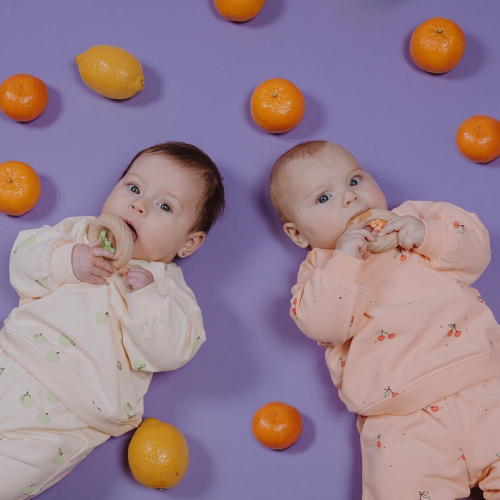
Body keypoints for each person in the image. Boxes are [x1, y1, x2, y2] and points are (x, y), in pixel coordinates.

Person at [269, 140, 500, 498]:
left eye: (355, 180)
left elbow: (477, 249)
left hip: (486, 385)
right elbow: (324, 327)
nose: (349, 197)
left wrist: (427, 234)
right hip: (400, 422)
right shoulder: (320, 270)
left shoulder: (415, 217)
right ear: (298, 234)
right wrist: (345, 260)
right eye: (323, 198)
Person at [0, 141, 225, 499]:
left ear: (189, 243)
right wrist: (68, 259)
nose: (138, 205)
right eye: (134, 188)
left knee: (9, 476)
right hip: (13, 359)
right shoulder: (80, 234)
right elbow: (23, 258)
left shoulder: (168, 290)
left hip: (74, 415)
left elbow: (175, 350)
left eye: (164, 206)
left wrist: (146, 299)